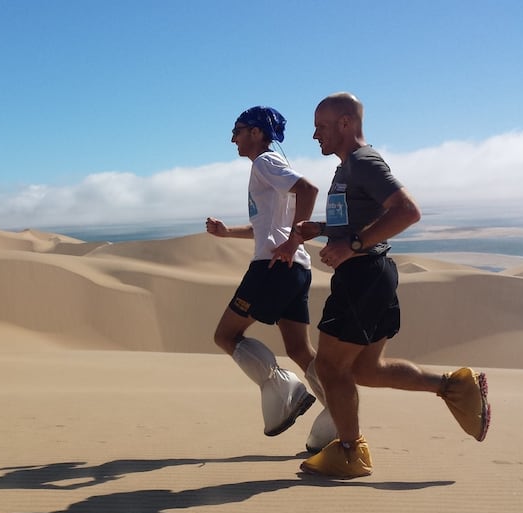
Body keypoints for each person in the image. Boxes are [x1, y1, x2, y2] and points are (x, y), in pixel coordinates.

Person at [296, 92, 491, 479]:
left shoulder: (364, 162)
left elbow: (407, 211)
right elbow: (358, 219)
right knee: (367, 369)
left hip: (363, 277)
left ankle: (350, 452)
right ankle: (454, 387)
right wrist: (321, 230)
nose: (315, 134)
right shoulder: (347, 167)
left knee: (331, 367)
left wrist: (352, 245)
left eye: (321, 126)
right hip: (371, 275)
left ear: (346, 124)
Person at [206, 106, 335, 450]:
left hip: (273, 268)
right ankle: (338, 412)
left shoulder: (265, 162)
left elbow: (309, 190)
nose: (233, 137)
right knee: (298, 348)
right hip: (295, 270)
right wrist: (226, 232)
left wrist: (293, 241)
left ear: (257, 133)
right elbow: (267, 228)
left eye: (238, 129)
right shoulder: (270, 170)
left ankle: (283, 388)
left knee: (226, 335)